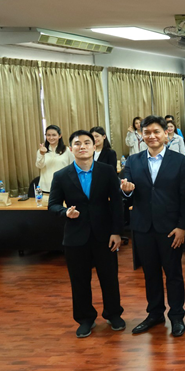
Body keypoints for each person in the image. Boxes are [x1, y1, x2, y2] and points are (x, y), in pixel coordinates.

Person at [47, 130, 124, 338]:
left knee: (109, 278)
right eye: (77, 143)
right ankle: (85, 318)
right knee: (79, 280)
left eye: (87, 142)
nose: (82, 146)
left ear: (94, 146)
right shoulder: (61, 176)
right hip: (75, 236)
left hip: (105, 235)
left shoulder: (107, 171)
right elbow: (52, 204)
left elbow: (117, 203)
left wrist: (117, 232)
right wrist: (65, 212)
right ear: (70, 148)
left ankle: (113, 314)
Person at [119, 116, 185, 337]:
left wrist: (182, 226)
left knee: (173, 274)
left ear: (165, 134)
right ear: (142, 136)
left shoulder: (179, 161)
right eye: (147, 132)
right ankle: (155, 314)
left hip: (170, 229)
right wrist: (126, 190)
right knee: (150, 274)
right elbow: (126, 192)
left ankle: (177, 316)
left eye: (156, 131)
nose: (152, 136)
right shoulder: (133, 161)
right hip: (143, 228)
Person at [36, 124, 74, 193]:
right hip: (45, 187)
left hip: (63, 186)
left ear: (60, 136)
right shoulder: (41, 150)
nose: (51, 138)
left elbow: (72, 168)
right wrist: (42, 154)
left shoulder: (67, 150)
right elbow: (39, 166)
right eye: (48, 135)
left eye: (54, 135)